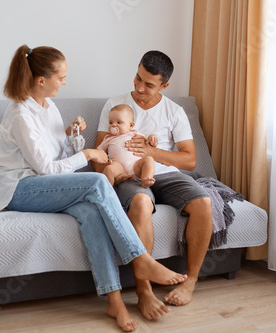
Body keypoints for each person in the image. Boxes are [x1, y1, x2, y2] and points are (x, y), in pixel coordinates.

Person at [0, 45, 187, 332]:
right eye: (61, 77)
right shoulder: (21, 115)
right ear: (41, 80)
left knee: (92, 213)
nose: (65, 82)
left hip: (47, 186)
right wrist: (89, 155)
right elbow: (45, 168)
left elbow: (58, 153)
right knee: (97, 180)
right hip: (21, 189)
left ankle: (114, 300)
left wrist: (72, 136)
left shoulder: (48, 107)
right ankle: (141, 259)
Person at [93, 51, 213, 320]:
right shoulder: (115, 105)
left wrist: (151, 152)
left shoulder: (174, 111)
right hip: (129, 176)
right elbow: (98, 154)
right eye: (138, 78)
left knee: (203, 203)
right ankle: (144, 291)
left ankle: (190, 281)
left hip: (166, 173)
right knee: (141, 201)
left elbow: (190, 160)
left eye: (149, 84)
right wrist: (114, 172)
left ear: (164, 85)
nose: (139, 88)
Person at [97, 104, 158, 188]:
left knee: (149, 159)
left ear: (131, 125)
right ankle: (108, 191)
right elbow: (98, 152)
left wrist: (152, 138)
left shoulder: (135, 134)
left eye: (119, 122)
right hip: (119, 167)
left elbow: (148, 143)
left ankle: (145, 179)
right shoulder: (108, 138)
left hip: (137, 166)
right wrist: (103, 163)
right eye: (111, 122)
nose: (113, 125)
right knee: (109, 169)